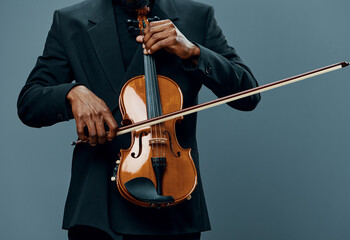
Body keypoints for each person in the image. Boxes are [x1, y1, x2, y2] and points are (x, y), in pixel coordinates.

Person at [17, 0, 261, 239]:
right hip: (97, 208)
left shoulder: (197, 17)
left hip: (171, 197)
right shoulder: (71, 21)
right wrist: (71, 94)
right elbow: (29, 102)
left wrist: (194, 52)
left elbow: (248, 94)